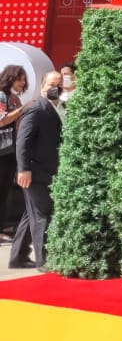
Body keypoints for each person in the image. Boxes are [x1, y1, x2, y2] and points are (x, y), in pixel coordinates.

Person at [9, 71, 63, 270]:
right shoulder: (36, 108)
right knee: (42, 215)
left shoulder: (54, 108)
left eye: (59, 85)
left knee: (29, 215)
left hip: (45, 170)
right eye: (51, 85)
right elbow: (23, 142)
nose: (54, 89)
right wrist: (24, 169)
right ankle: (44, 260)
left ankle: (18, 257)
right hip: (35, 172)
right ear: (42, 87)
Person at [0, 65, 27, 241]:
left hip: (10, 150)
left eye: (24, 79)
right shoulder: (2, 95)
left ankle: (3, 224)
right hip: (2, 150)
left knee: (4, 189)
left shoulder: (14, 98)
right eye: (20, 79)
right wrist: (22, 110)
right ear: (10, 78)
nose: (23, 83)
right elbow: (1, 121)